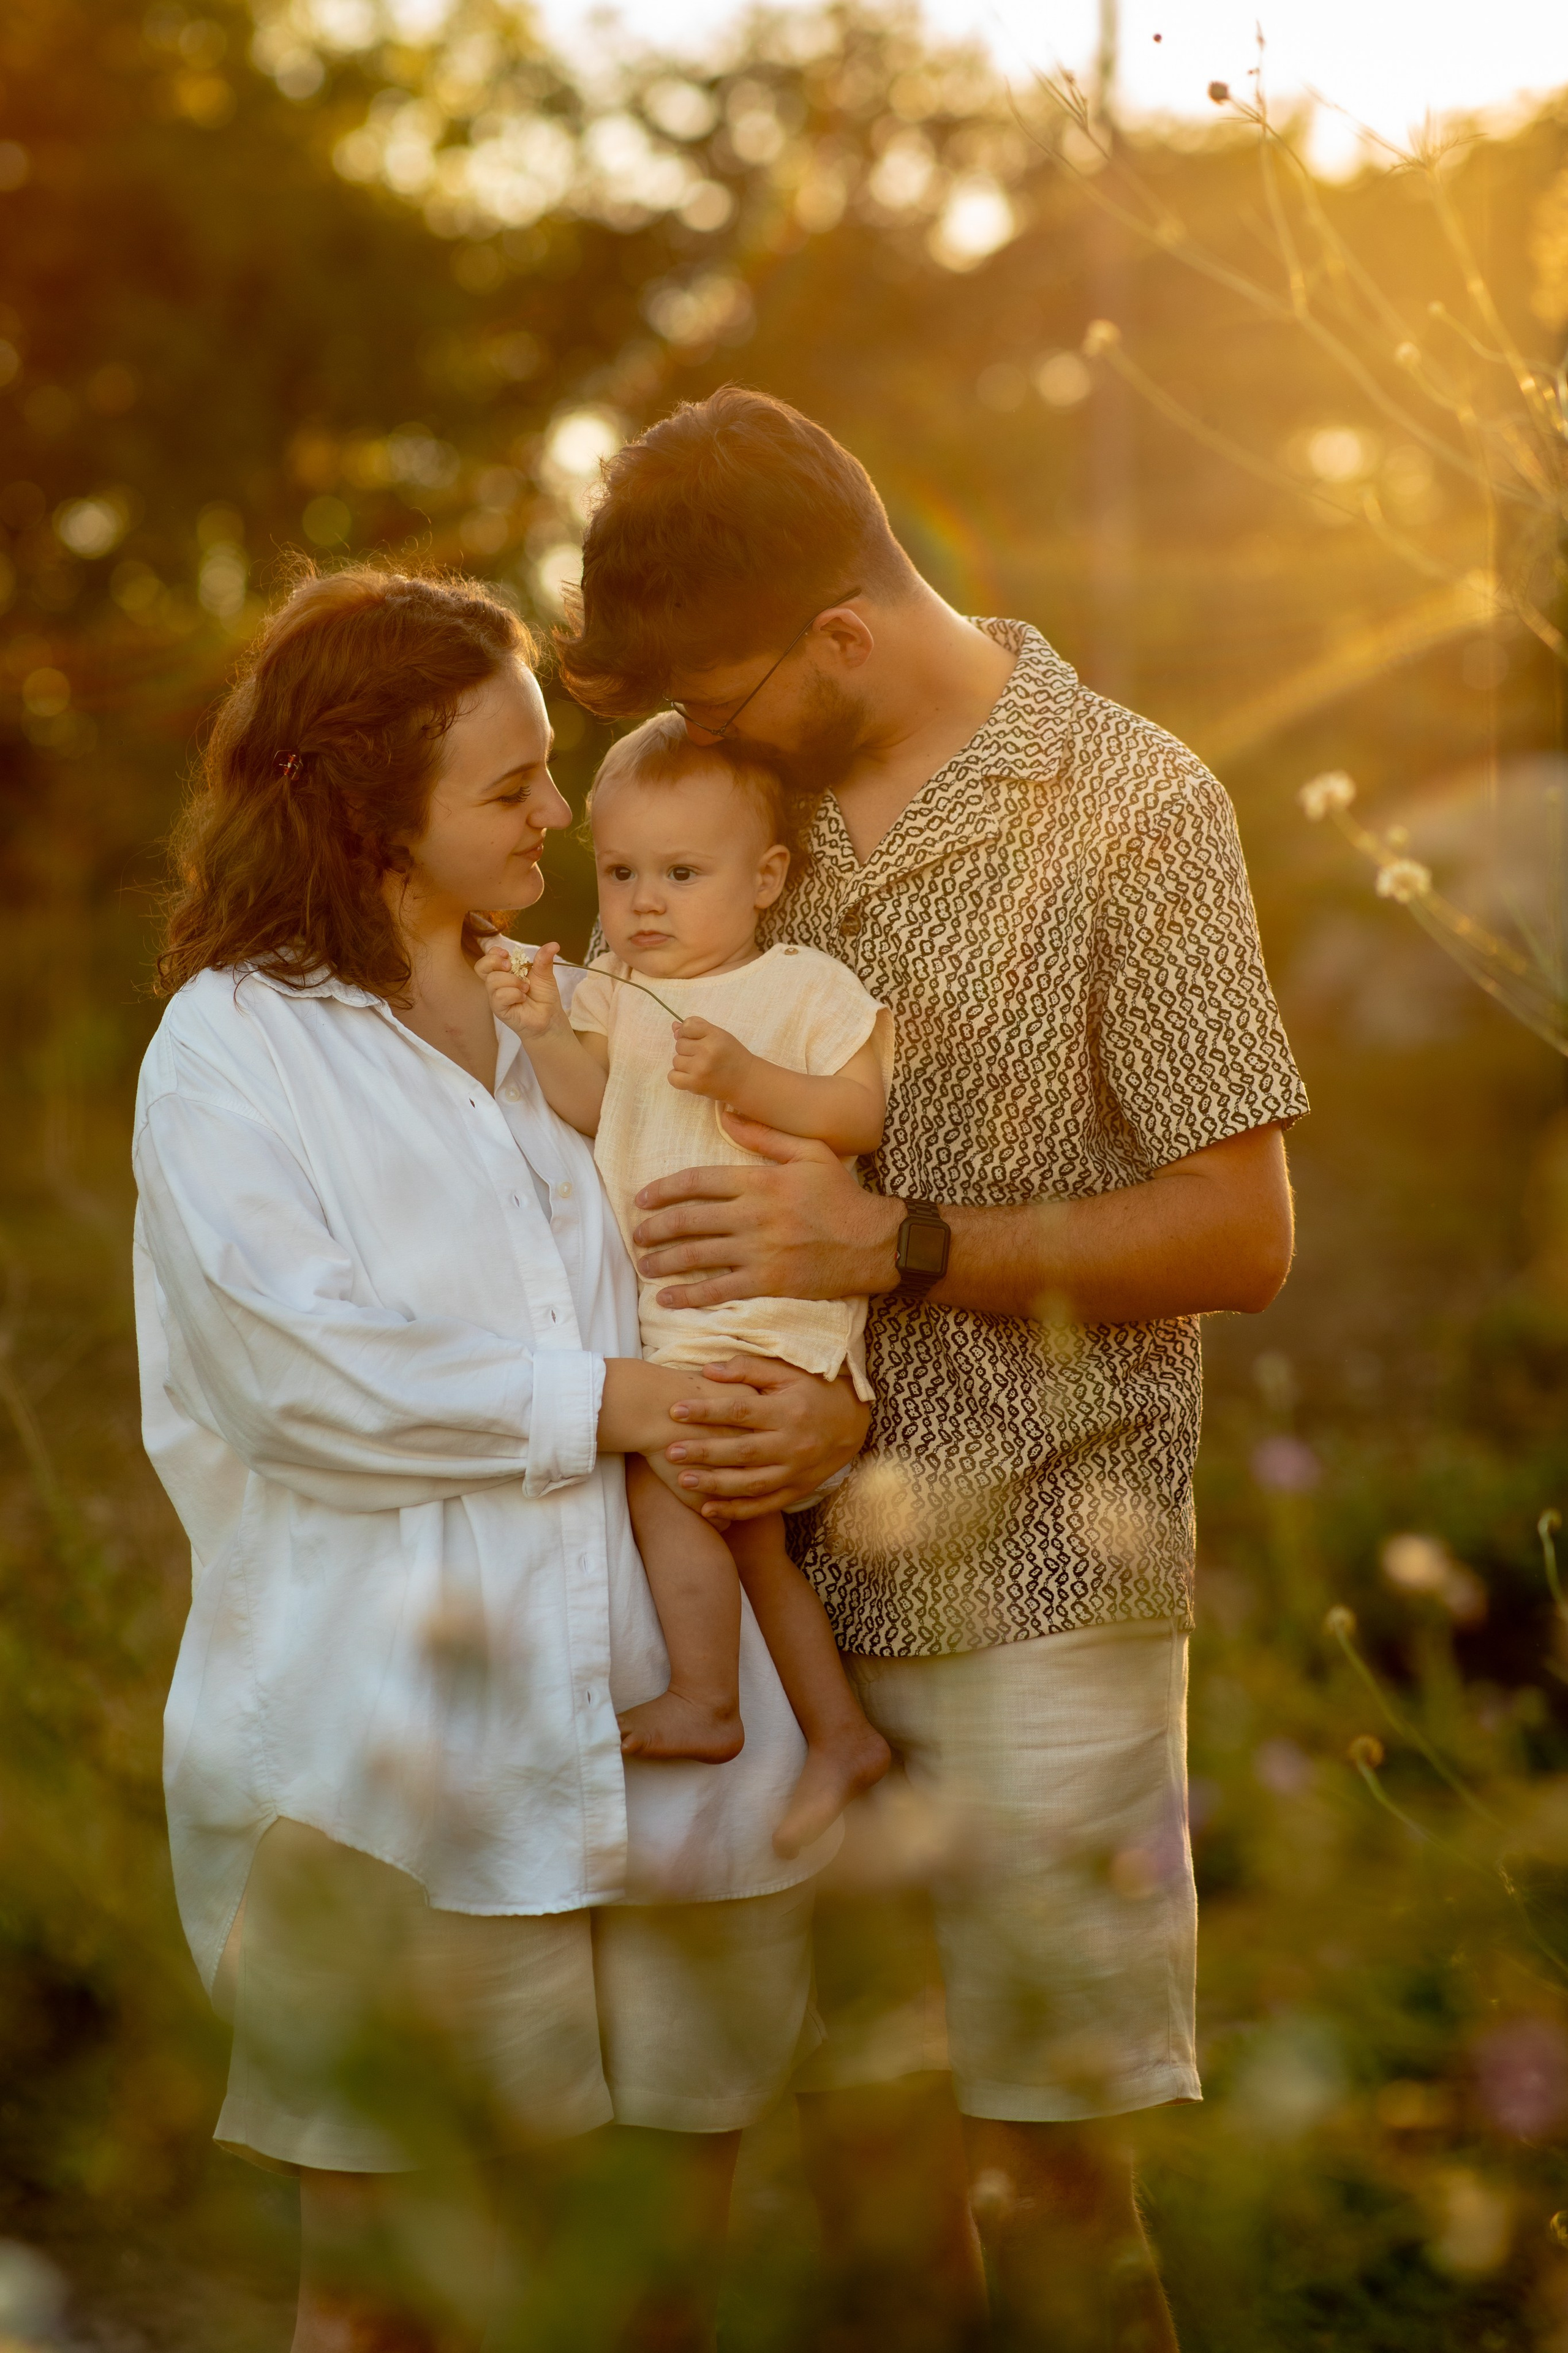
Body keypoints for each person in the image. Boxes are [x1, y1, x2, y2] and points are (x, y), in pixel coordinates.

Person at [556, 388, 1309, 2351]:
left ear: (843, 638)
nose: (697, 740)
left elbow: (1242, 1229)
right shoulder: (742, 815)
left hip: (1046, 1585)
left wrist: (895, 1249)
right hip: (777, 1587)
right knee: (871, 2191)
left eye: (724, 693)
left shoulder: (1139, 808)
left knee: (1057, 2187)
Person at [134, 564, 869, 2353]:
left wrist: (829, 1415)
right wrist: (610, 1402)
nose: (562, 807)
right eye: (513, 783)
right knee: (392, 2308)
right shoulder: (237, 1050)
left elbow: (769, 1273)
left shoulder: (607, 1003)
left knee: (657, 2294)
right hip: (400, 1767)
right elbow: (292, 1369)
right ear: (371, 801)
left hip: (680, 1748)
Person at [478, 710, 892, 1860]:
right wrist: (540, 1024)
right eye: (621, 873)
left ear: (765, 880)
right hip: (686, 1316)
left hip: (769, 1303)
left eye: (681, 873)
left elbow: (857, 1111)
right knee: (744, 1530)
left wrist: (752, 1074)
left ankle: (713, 1702)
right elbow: (587, 1102)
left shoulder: (800, 985)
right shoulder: (614, 987)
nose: (645, 902)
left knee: (675, 1489)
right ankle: (838, 1732)